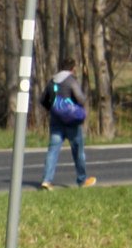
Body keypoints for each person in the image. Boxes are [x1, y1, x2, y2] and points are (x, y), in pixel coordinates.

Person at [39, 57, 96, 190]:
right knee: (78, 152)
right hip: (72, 122)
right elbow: (81, 99)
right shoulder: (71, 80)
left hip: (55, 122)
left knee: (53, 151)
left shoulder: (52, 81)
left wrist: (55, 110)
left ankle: (47, 180)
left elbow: (43, 100)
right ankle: (82, 180)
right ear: (73, 68)